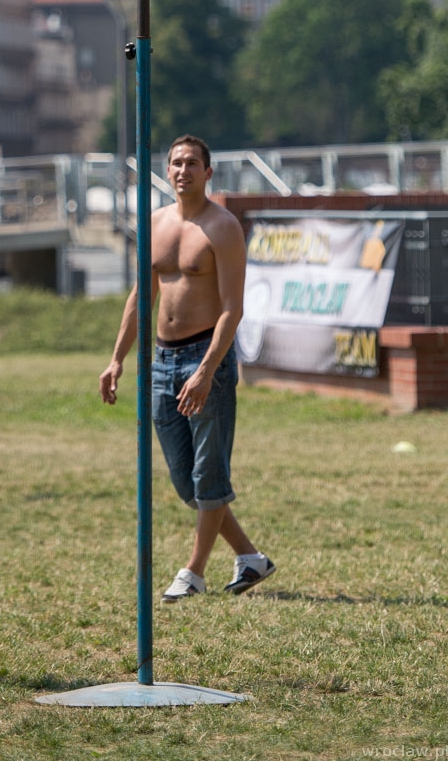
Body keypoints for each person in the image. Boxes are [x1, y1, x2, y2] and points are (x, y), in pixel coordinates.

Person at [99, 133, 274, 602]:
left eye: (192, 163)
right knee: (185, 479)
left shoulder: (223, 227)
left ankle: (193, 572)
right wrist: (117, 357)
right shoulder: (155, 223)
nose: (183, 171)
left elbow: (232, 309)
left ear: (208, 172)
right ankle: (251, 558)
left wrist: (207, 371)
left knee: (208, 473)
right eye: (176, 163)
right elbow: (142, 295)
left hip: (205, 359)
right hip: (162, 359)